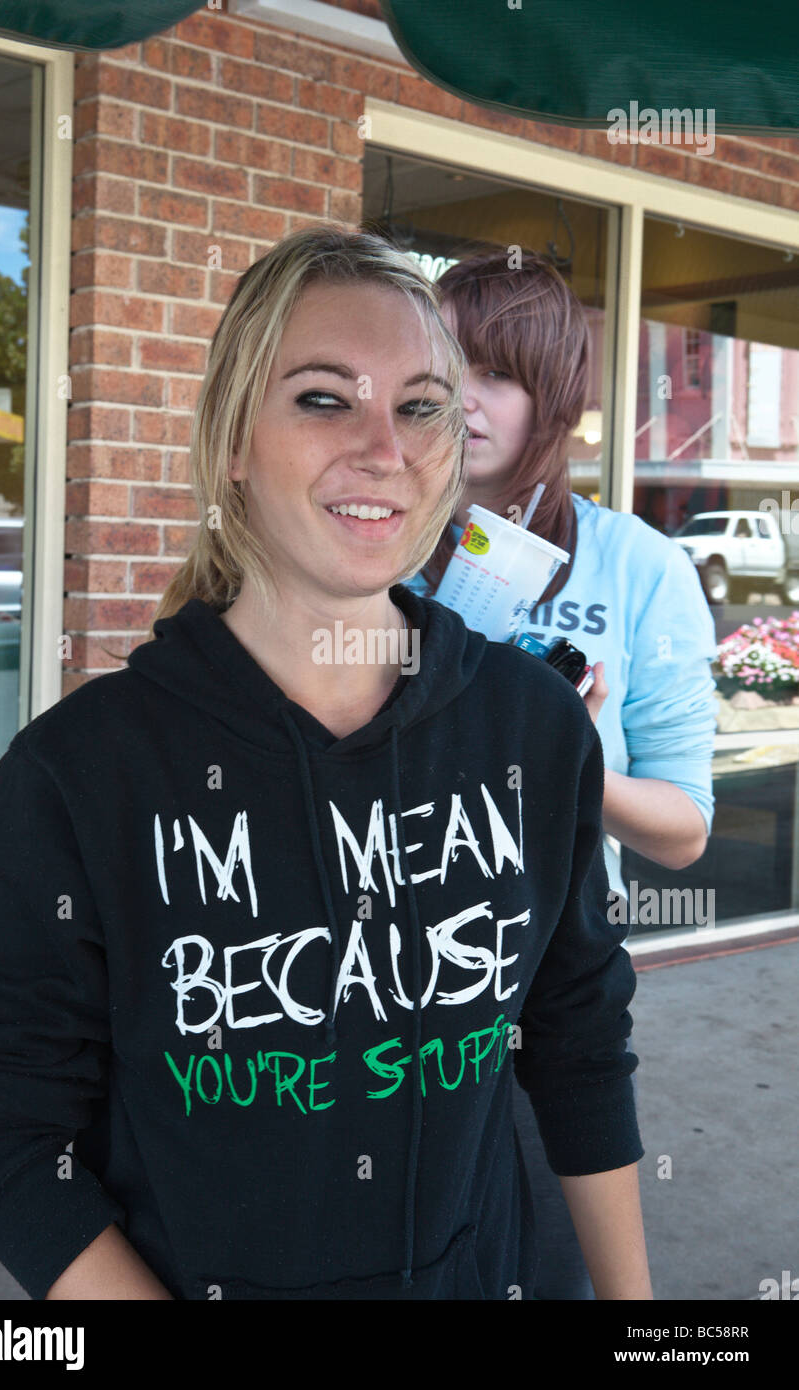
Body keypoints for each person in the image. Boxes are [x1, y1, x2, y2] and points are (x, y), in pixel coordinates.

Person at [0, 226, 652, 1302]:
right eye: (325, 399)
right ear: (233, 439)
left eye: (419, 406)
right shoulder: (82, 773)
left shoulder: (531, 729)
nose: (385, 447)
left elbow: (578, 1041)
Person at [406, 245, 716, 1298]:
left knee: (548, 1262)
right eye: (440, 368)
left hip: (552, 979)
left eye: (494, 373)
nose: (463, 400)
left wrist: (571, 757)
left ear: (556, 397)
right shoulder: (367, 542)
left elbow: (681, 829)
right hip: (376, 962)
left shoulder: (638, 567)